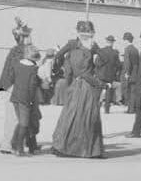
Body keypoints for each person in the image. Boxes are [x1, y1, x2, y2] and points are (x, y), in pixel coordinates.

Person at [52, 20, 105, 158]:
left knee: (72, 115)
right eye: (86, 34)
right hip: (85, 84)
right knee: (85, 116)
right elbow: (103, 61)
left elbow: (57, 56)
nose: (87, 36)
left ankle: (65, 147)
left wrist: (64, 66)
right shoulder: (81, 45)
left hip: (78, 84)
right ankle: (86, 149)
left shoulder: (80, 45)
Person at [0, 18, 32, 154]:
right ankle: (9, 144)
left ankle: (15, 143)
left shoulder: (18, 50)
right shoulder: (20, 51)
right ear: (23, 38)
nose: (30, 38)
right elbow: (11, 71)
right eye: (28, 35)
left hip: (15, 87)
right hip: (16, 87)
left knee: (17, 117)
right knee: (15, 117)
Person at [9, 44, 41, 156]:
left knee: (21, 122)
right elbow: (32, 86)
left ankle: (13, 144)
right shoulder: (33, 69)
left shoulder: (17, 64)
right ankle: (19, 148)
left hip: (15, 97)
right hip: (25, 99)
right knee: (24, 123)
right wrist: (32, 100)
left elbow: (12, 78)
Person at [95, 35, 121, 114]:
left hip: (101, 75)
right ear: (113, 43)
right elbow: (118, 65)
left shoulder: (101, 51)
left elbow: (97, 63)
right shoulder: (115, 53)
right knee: (108, 92)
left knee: (98, 92)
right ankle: (107, 109)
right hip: (110, 76)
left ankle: (96, 108)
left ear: (106, 42)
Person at [122, 32, 139, 113]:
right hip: (136, 73)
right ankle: (132, 108)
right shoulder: (136, 49)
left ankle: (130, 109)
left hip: (130, 73)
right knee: (133, 92)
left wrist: (126, 73)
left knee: (129, 91)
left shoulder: (127, 49)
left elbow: (127, 63)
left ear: (126, 40)